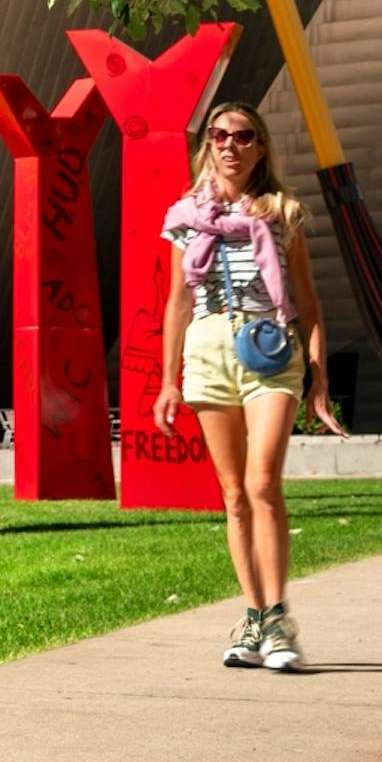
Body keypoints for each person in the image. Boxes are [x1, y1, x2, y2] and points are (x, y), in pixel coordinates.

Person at [153, 102, 340, 671]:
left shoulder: (283, 212)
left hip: (270, 349)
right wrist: (167, 382)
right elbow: (178, 301)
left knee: (262, 483)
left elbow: (307, 302)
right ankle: (254, 614)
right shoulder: (185, 217)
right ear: (208, 145)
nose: (230, 145)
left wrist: (319, 378)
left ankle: (279, 618)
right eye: (220, 135)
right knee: (233, 495)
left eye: (243, 136)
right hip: (207, 350)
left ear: (260, 148)